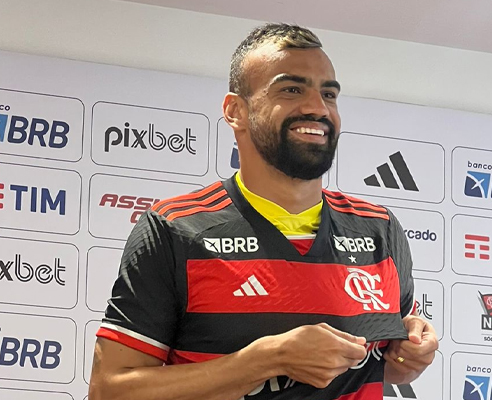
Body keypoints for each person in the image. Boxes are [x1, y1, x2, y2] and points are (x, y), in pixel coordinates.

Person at [88, 23, 438, 400]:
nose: (317, 108)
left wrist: (410, 355)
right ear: (235, 111)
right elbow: (110, 391)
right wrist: (266, 359)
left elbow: (386, 362)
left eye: (329, 94)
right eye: (291, 89)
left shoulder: (378, 230)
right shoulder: (176, 229)